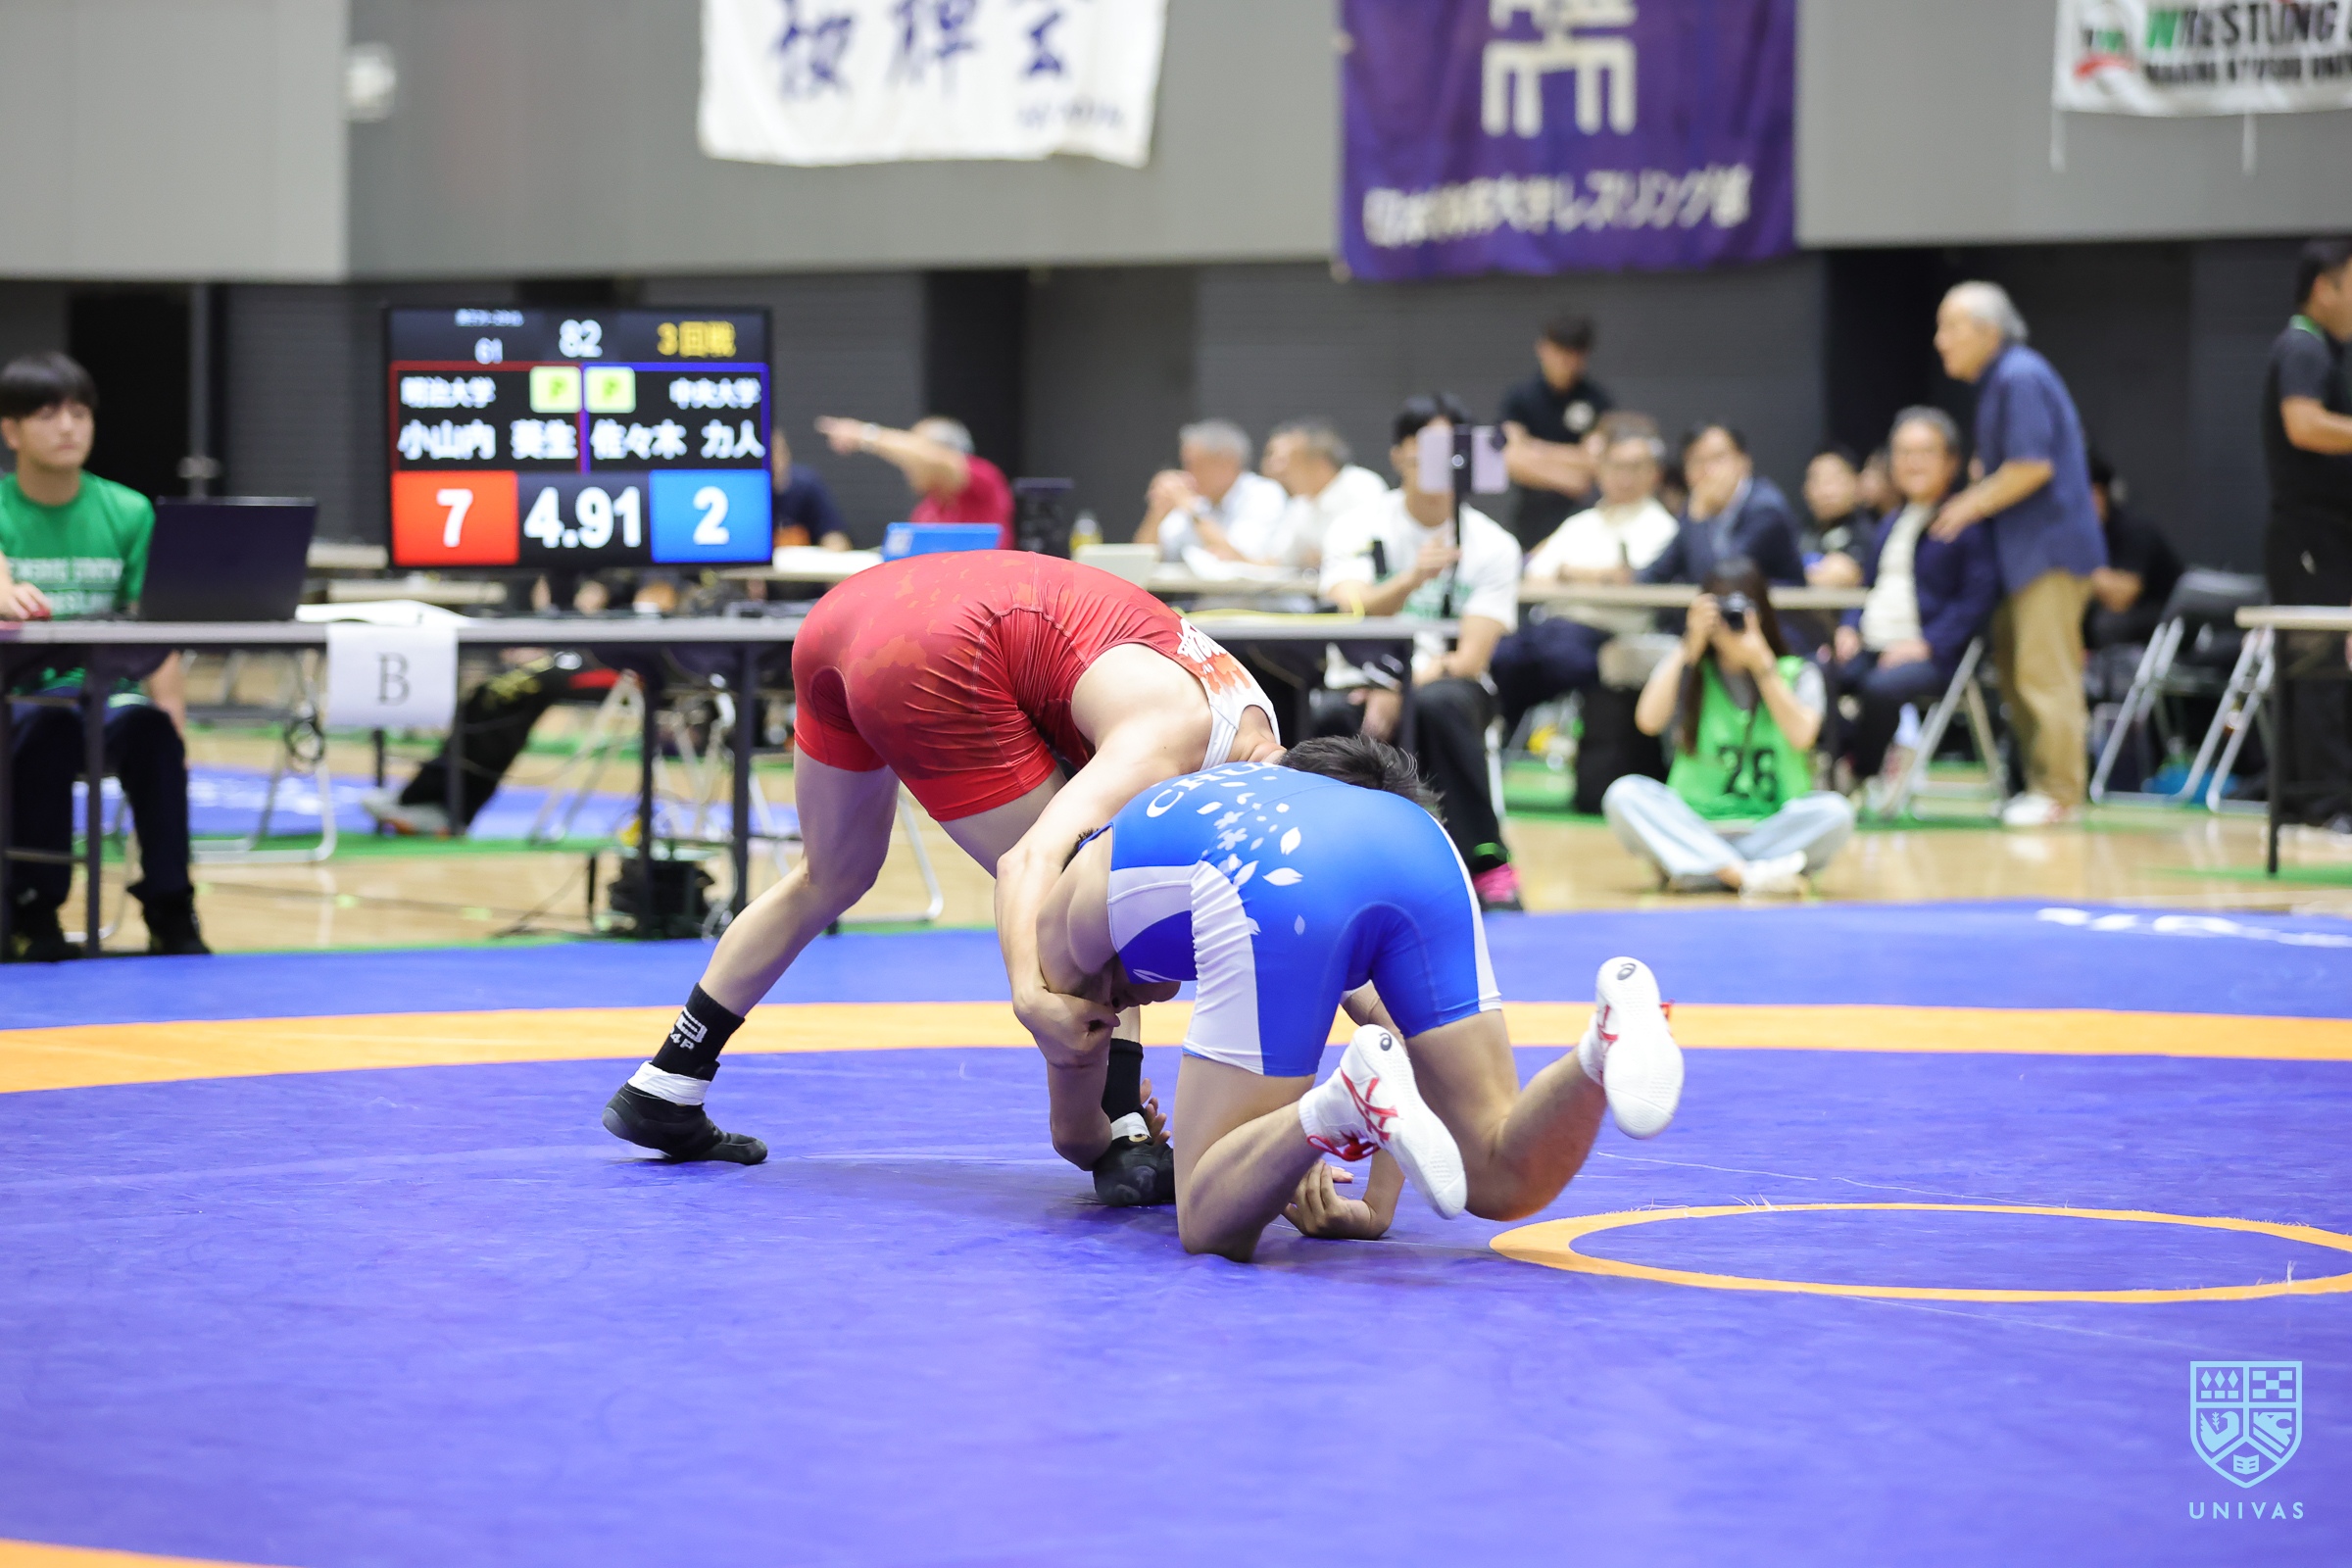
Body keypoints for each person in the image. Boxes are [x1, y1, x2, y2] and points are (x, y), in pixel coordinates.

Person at [600, 551, 1285, 1209]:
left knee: (829, 874)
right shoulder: (1174, 741)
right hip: (941, 649)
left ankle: (669, 1079)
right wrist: (1030, 998)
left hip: (848, 615)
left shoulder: (1248, 734)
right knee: (1086, 893)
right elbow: (1038, 869)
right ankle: (1122, 1136)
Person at [1033, 737, 1685, 1262]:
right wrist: (1373, 1204)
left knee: (1207, 1217)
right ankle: (1603, 1044)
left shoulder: (1063, 919)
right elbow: (1391, 1034)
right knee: (1500, 1178)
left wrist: (1280, 1138)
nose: (1127, 1007)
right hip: (1423, 848)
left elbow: (1079, 1138)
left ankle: (1337, 1107)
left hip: (1266, 868)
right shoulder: (1242, 803)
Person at [0, 351, 208, 960]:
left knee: (152, 734)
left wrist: (174, 716)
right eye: (47, 414)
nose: (68, 427)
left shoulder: (129, 511)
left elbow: (154, 631)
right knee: (51, 727)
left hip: (105, 696)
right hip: (21, 702)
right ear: (11, 431)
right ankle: (33, 907)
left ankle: (172, 908)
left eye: (80, 412)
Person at [1314, 394, 1527, 911]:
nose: (1440, 461)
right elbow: (1349, 608)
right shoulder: (1356, 526)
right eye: (1427, 448)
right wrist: (1412, 579)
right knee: (1332, 716)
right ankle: (1335, 864)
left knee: (1439, 706)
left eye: (1452, 449)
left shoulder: (1493, 544)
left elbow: (1471, 657)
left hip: (1447, 681)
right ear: (1399, 454)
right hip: (1359, 679)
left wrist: (1402, 690)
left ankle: (1484, 859)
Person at [1929, 281, 2107, 829]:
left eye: (1950, 327)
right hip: (2022, 557)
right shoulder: (2001, 380)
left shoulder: (2019, 375)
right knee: (2015, 670)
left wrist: (1969, 504)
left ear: (1988, 332)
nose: (1940, 341)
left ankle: (2060, 794)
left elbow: (2033, 466)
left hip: (2049, 552)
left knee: (2044, 672)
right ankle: (2038, 787)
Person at [1604, 559, 1854, 897]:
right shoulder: (1690, 667)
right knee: (1624, 794)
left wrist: (1762, 664)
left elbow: (1802, 736)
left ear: (1761, 613)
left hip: (1768, 828)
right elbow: (1647, 721)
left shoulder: (1796, 672)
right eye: (1719, 612)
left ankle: (1701, 869)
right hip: (1696, 824)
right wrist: (1688, 645)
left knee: (1836, 812)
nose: (1728, 623)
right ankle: (1743, 875)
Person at [1826, 408, 2000, 795]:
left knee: (1879, 688)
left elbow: (1978, 598)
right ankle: (1848, 758)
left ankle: (1860, 774)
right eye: (1903, 452)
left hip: (1934, 655)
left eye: (1925, 452)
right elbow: (1867, 589)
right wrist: (1849, 628)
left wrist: (1927, 644)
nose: (1912, 462)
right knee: (1814, 675)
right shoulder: (1889, 522)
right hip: (1872, 644)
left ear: (1951, 461)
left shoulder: (1965, 522)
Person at [1490, 427, 1679, 735]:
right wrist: (1595, 576)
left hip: (1605, 633)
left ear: (1655, 474)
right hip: (1548, 626)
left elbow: (1628, 579)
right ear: (1600, 470)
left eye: (1635, 467)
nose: (1625, 476)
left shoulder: (1662, 527)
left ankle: (1507, 734)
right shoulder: (1581, 522)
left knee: (1548, 661)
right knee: (1497, 653)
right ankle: (1493, 738)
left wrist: (1568, 573)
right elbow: (1536, 572)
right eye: (1616, 466)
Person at [2260, 237, 2352, 834]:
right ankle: (2325, 803)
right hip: (2309, 539)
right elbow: (2303, 424)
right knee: (2320, 667)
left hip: (2317, 537)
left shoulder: (2322, 351)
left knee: (2311, 668)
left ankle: (2300, 799)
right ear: (2326, 287)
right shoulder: (2303, 346)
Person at [1498, 314, 1615, 554]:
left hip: (1583, 514)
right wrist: (1571, 474)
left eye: (1573, 354)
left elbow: (1595, 461)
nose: (1565, 362)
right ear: (1542, 348)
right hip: (1531, 518)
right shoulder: (1519, 398)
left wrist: (1535, 450)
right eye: (1559, 352)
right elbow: (1512, 460)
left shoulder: (1597, 399)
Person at [1639, 423, 1806, 589]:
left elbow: (1719, 580)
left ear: (1743, 462)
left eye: (1718, 458)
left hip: (1775, 605)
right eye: (1697, 461)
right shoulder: (1697, 503)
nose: (1708, 470)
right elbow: (1657, 573)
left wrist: (1699, 518)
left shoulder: (1765, 509)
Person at [813, 414, 1011, 547]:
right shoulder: (926, 511)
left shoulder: (983, 477)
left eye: (911, 459)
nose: (907, 467)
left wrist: (864, 435)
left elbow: (938, 459)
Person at [1133, 418, 1290, 564]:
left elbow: (1241, 557)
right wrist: (1158, 513)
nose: (1188, 474)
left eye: (1196, 465)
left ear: (1227, 463)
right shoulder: (1195, 501)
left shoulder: (1264, 494)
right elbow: (1142, 561)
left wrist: (1193, 510)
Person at [2082, 454, 2183, 652]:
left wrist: (2075, 568)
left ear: (2099, 494)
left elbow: (2123, 597)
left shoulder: (2133, 530)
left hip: (2164, 615)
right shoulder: (2084, 535)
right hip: (2124, 615)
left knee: (2108, 624)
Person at [1258, 419, 1388, 568]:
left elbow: (1365, 551)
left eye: (1292, 461)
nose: (1283, 471)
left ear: (1321, 464)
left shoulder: (1362, 486)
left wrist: (1323, 558)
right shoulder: (1301, 503)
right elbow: (1277, 561)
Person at [1800, 443, 1878, 587]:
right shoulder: (1802, 534)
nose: (1826, 491)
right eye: (1818, 481)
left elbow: (1845, 574)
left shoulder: (1869, 535)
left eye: (1835, 480)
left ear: (1857, 483)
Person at [770, 425, 850, 550]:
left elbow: (836, 538)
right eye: (769, 455)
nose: (775, 462)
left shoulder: (806, 485)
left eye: (780, 452)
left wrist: (833, 547)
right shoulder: (746, 494)